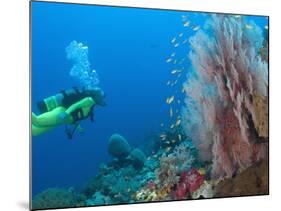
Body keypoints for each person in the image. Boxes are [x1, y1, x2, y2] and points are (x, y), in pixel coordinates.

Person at [32, 87, 106, 139]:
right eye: (102, 97)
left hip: (62, 120)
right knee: (37, 121)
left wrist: (78, 127)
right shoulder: (89, 100)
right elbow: (76, 105)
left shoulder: (91, 106)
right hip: (62, 112)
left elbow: (76, 116)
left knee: (34, 132)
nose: (102, 100)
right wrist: (66, 113)